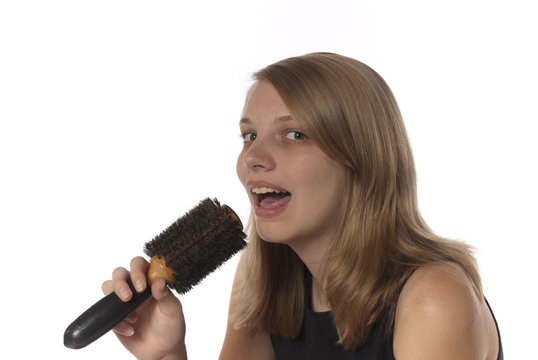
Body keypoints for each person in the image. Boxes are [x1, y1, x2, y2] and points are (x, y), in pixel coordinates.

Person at [102, 53, 503, 359]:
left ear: (360, 158)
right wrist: (166, 354)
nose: (253, 157)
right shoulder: (262, 283)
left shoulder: (432, 298)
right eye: (248, 135)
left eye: (294, 134)